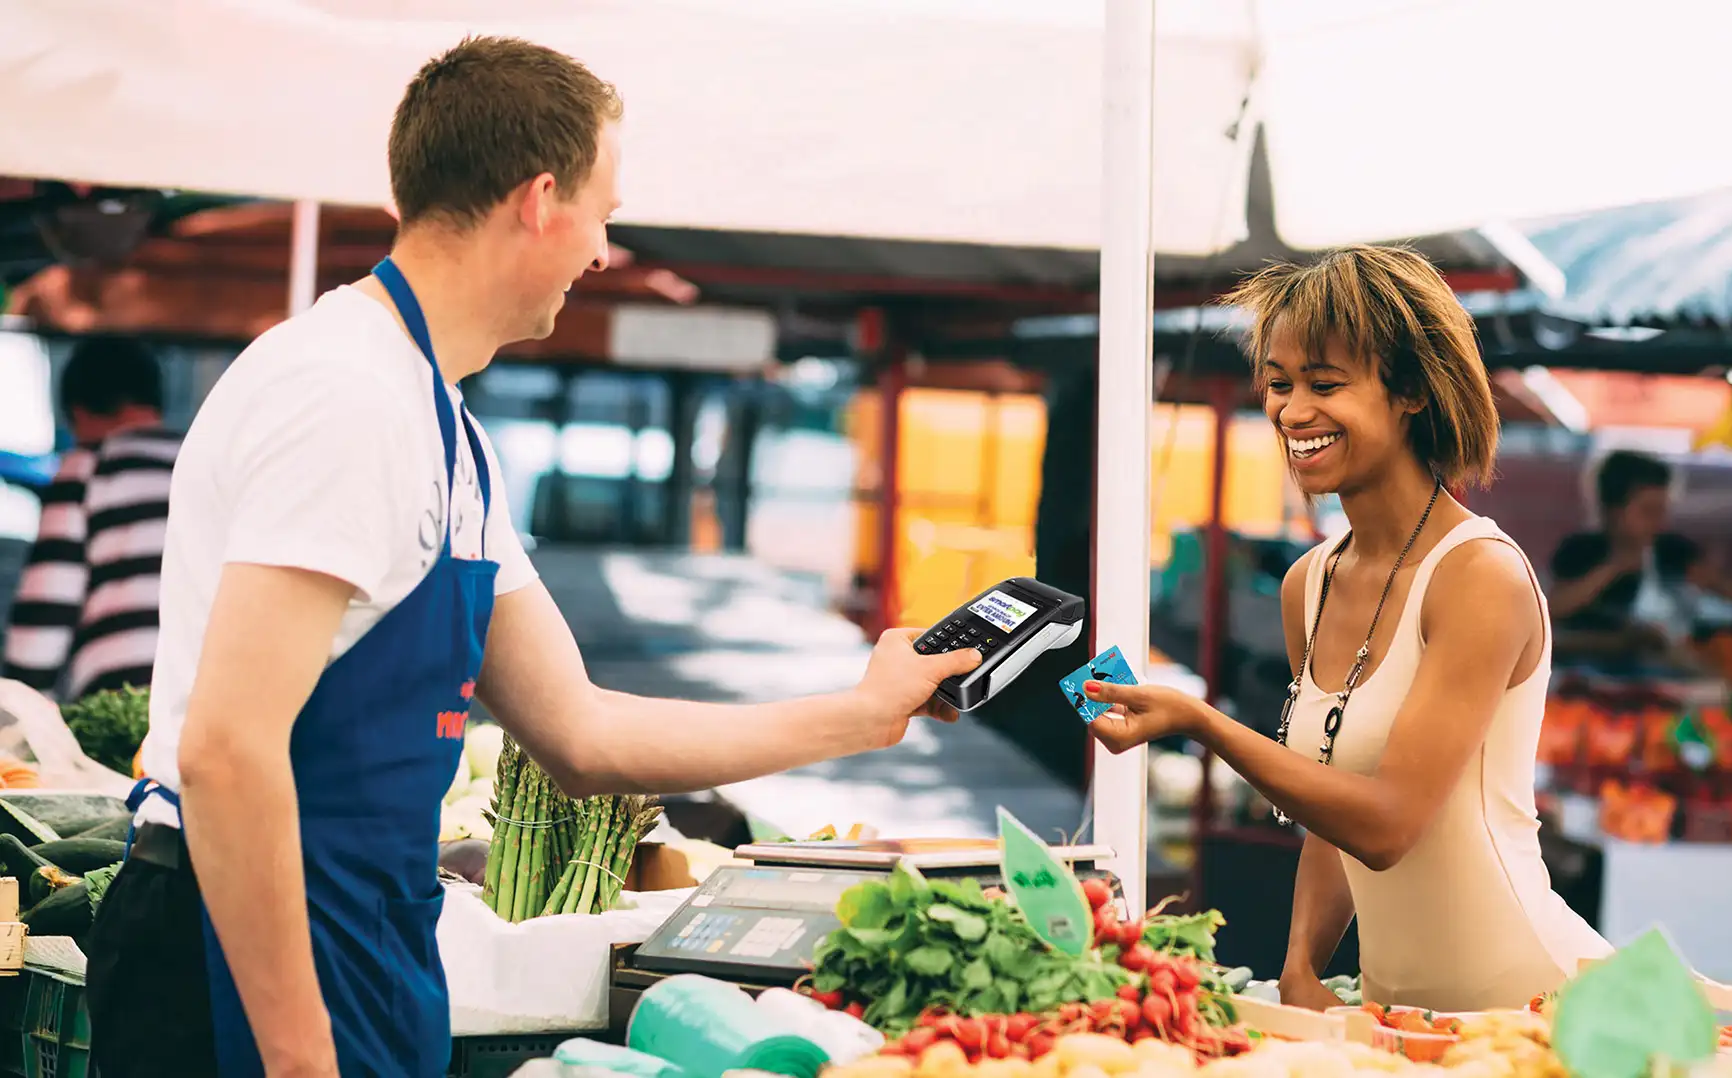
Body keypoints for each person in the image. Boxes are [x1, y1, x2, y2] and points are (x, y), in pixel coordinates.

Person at [84, 37, 982, 1078]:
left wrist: (865, 711)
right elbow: (229, 750)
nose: (603, 251)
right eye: (604, 213)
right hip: (238, 957)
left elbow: (582, 731)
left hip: (364, 937)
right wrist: (300, 1063)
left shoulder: (444, 429)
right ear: (542, 198)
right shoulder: (346, 397)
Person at [1079, 246, 1612, 1013]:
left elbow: (1388, 824)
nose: (1293, 412)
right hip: (1394, 1010)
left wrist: (1203, 723)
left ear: (1411, 394)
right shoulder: (1312, 583)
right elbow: (1331, 804)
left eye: (1325, 384)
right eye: (1278, 383)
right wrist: (1301, 964)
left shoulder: (1478, 576)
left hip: (1533, 1005)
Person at [3, 336, 179, 700]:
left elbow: (42, 626)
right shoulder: (202, 464)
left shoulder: (88, 468)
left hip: (123, 707)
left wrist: (22, 722)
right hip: (211, 707)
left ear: (78, 412)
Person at [1547, 449, 1732, 658]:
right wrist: (1611, 570)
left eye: (1662, 511)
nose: (1658, 521)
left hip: (1670, 665)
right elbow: (1553, 608)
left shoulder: (1671, 549)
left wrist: (1716, 580)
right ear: (1612, 510)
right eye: (1648, 511)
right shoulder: (1581, 549)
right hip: (1592, 666)